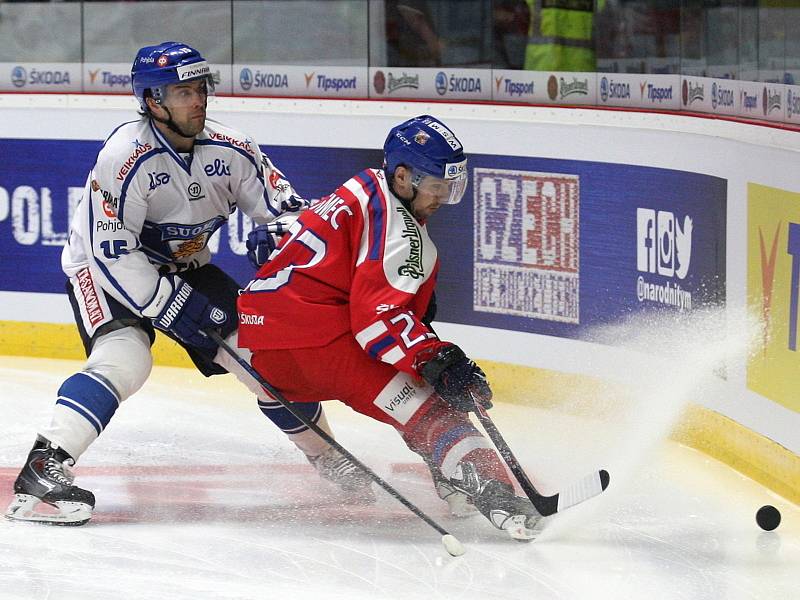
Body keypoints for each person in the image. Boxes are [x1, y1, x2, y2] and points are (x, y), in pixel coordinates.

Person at [5, 41, 369, 526]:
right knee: (126, 358)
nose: (197, 100)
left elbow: (295, 215)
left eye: (200, 88)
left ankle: (326, 454)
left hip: (186, 269)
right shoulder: (123, 156)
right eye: (182, 91)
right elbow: (110, 250)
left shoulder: (234, 149)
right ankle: (42, 469)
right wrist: (169, 304)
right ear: (153, 100)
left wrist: (279, 234)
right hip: (103, 270)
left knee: (265, 357)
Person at [237, 115, 544, 540]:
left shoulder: (362, 186)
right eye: (436, 185)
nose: (442, 197)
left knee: (414, 383)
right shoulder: (401, 232)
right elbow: (376, 323)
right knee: (432, 408)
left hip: (268, 352)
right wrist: (435, 358)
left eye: (450, 186)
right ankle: (500, 498)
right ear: (403, 177)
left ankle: (450, 474)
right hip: (317, 343)